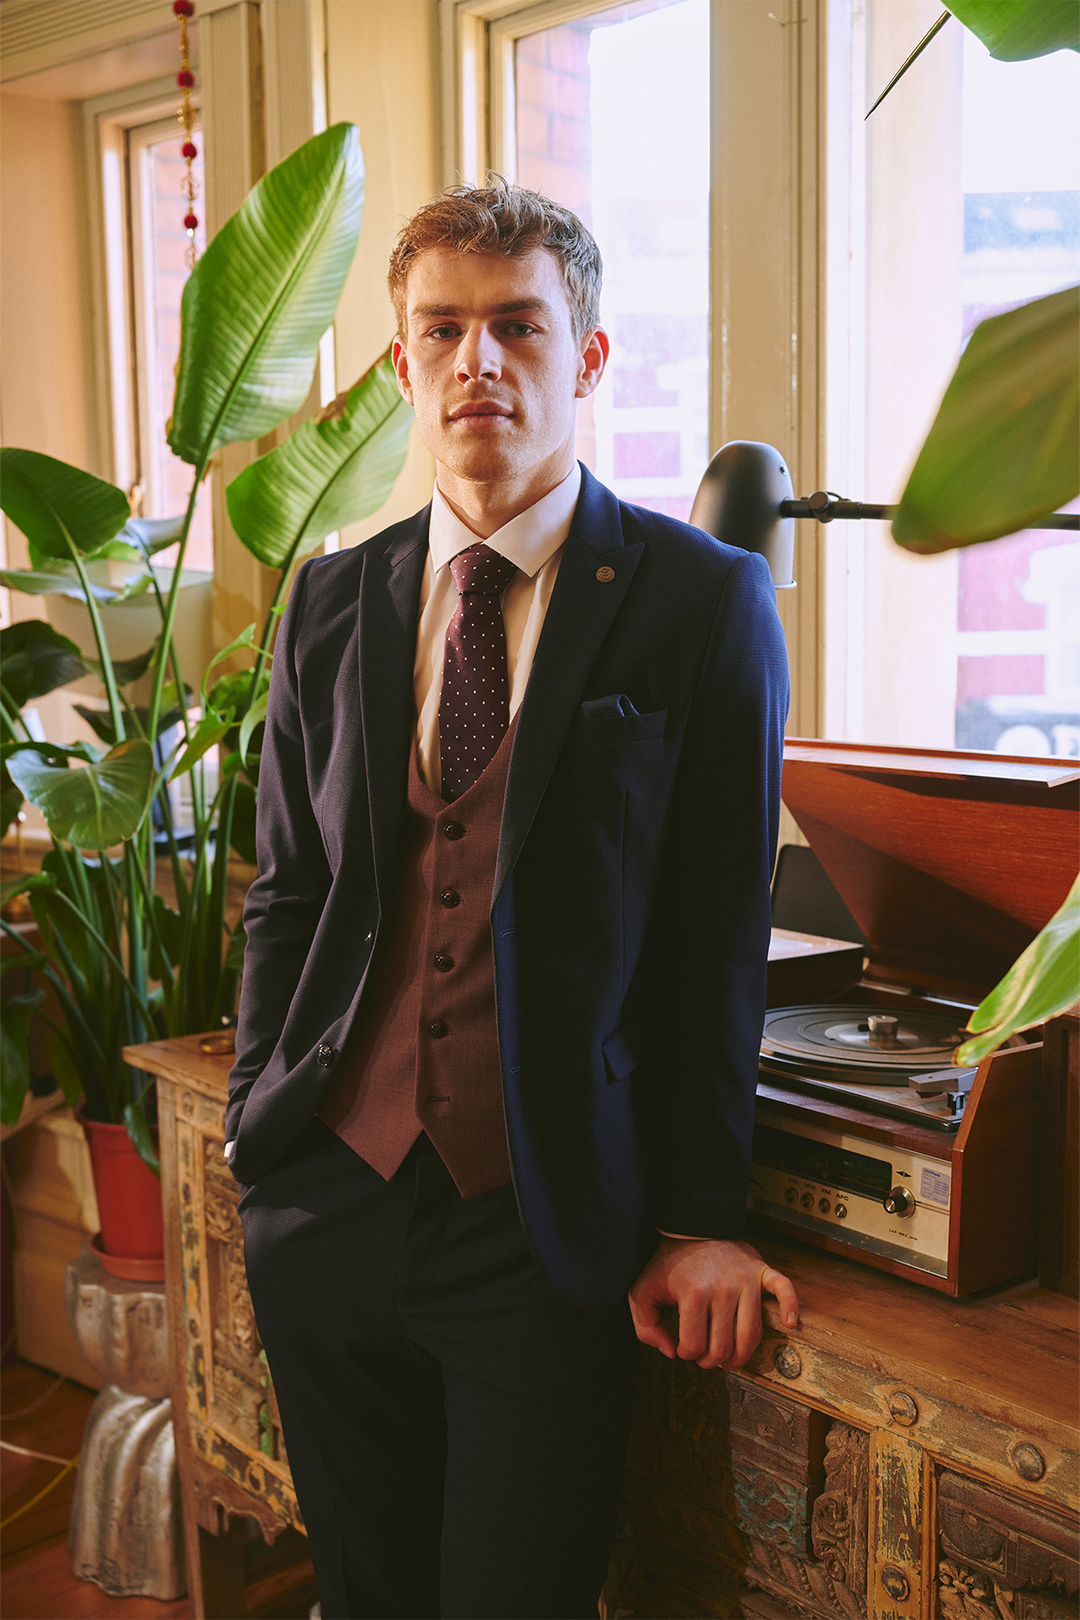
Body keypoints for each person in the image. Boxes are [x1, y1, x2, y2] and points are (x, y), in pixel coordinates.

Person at [226, 180, 797, 1620]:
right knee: (363, 1594)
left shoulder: (702, 600)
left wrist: (701, 1215)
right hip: (331, 1201)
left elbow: (715, 937)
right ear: (403, 362)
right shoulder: (329, 602)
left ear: (585, 356)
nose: (478, 360)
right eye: (444, 329)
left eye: (518, 326)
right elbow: (289, 891)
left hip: (540, 1231)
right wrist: (257, 1124)